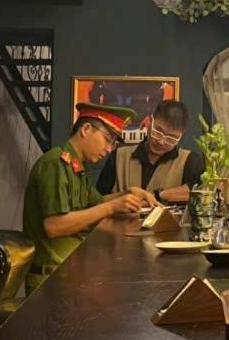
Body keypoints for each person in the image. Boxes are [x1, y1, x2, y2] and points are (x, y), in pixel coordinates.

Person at [22, 102, 145, 293]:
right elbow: (54, 226)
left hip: (74, 271)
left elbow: (96, 203)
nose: (109, 149)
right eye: (107, 139)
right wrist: (111, 208)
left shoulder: (77, 166)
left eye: (113, 144)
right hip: (53, 279)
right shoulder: (56, 163)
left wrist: (127, 193)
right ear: (86, 129)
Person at [97, 99, 204, 206]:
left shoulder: (190, 161)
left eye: (171, 138)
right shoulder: (119, 157)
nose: (161, 141)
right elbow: (98, 201)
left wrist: (160, 195)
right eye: (158, 131)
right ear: (150, 121)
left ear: (181, 135)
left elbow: (200, 194)